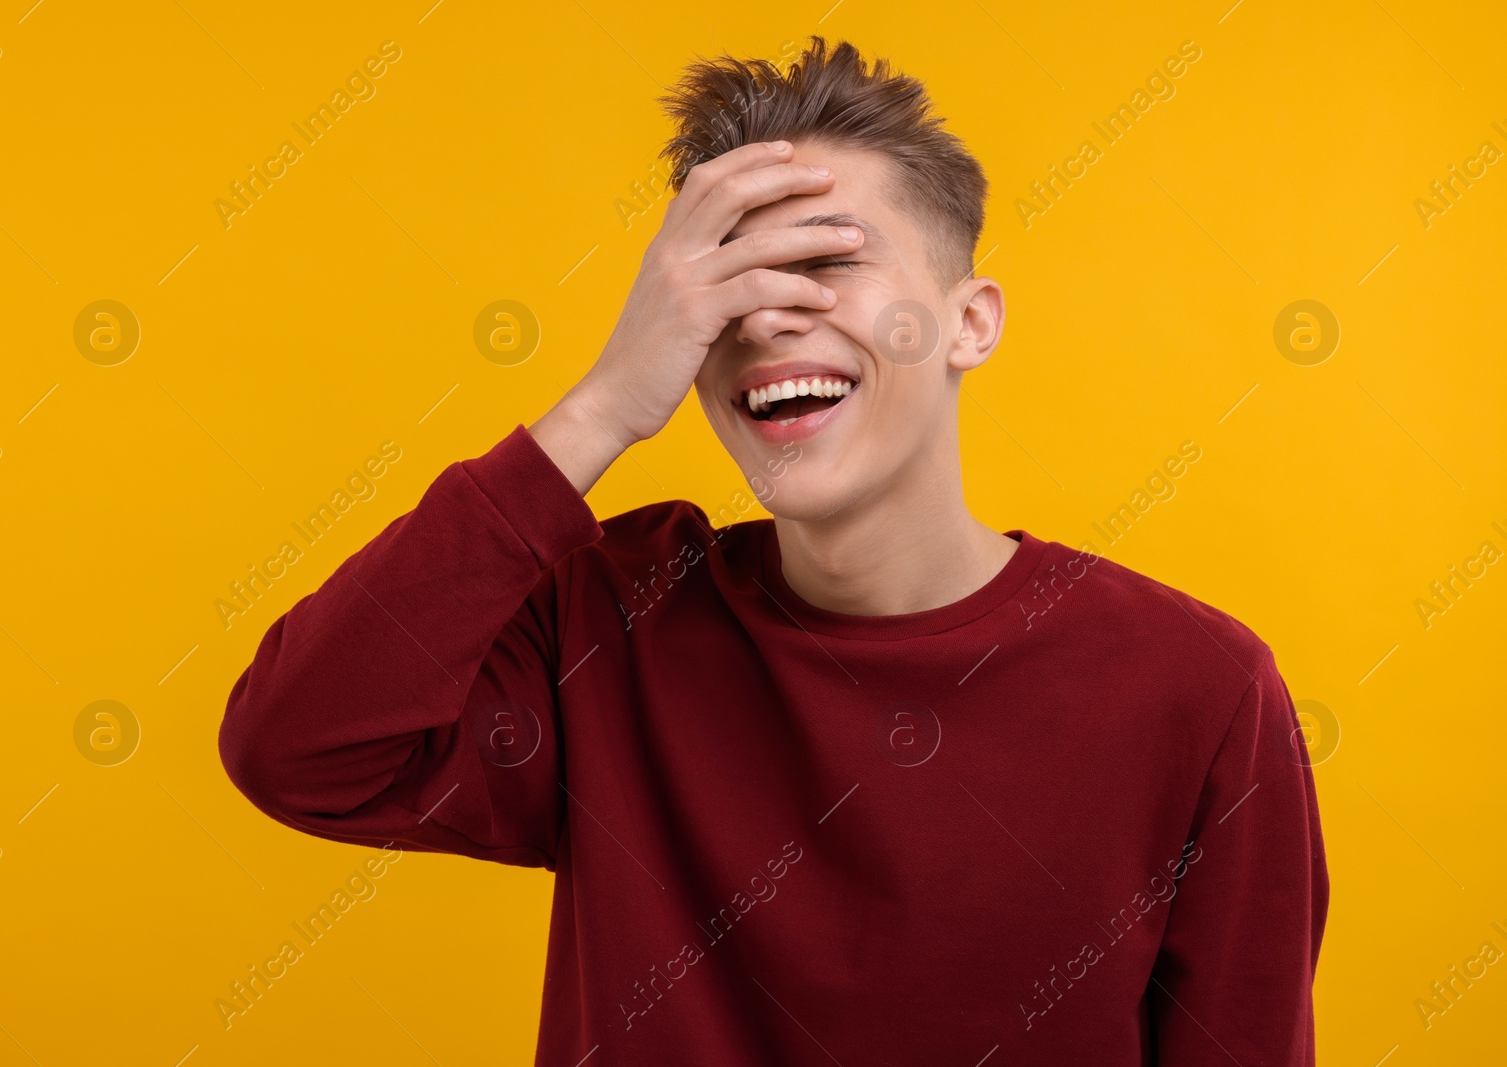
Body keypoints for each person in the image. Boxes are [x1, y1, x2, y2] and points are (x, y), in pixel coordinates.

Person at [219, 35, 1328, 1065]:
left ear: (969, 321)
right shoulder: (613, 620)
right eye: (720, 285)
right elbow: (298, 747)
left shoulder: (1197, 688)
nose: (764, 318)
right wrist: (604, 404)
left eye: (822, 261)